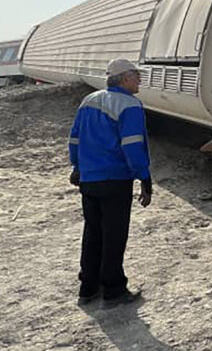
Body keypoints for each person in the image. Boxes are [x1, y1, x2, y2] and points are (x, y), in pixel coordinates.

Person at [68, 58, 152, 308]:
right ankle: (113, 291)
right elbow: (132, 145)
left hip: (89, 179)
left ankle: (88, 289)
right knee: (114, 236)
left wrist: (77, 167)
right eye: (136, 75)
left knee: (93, 233)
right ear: (124, 78)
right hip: (115, 179)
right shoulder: (129, 104)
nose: (139, 80)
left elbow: (75, 138)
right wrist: (144, 177)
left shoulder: (89, 101)